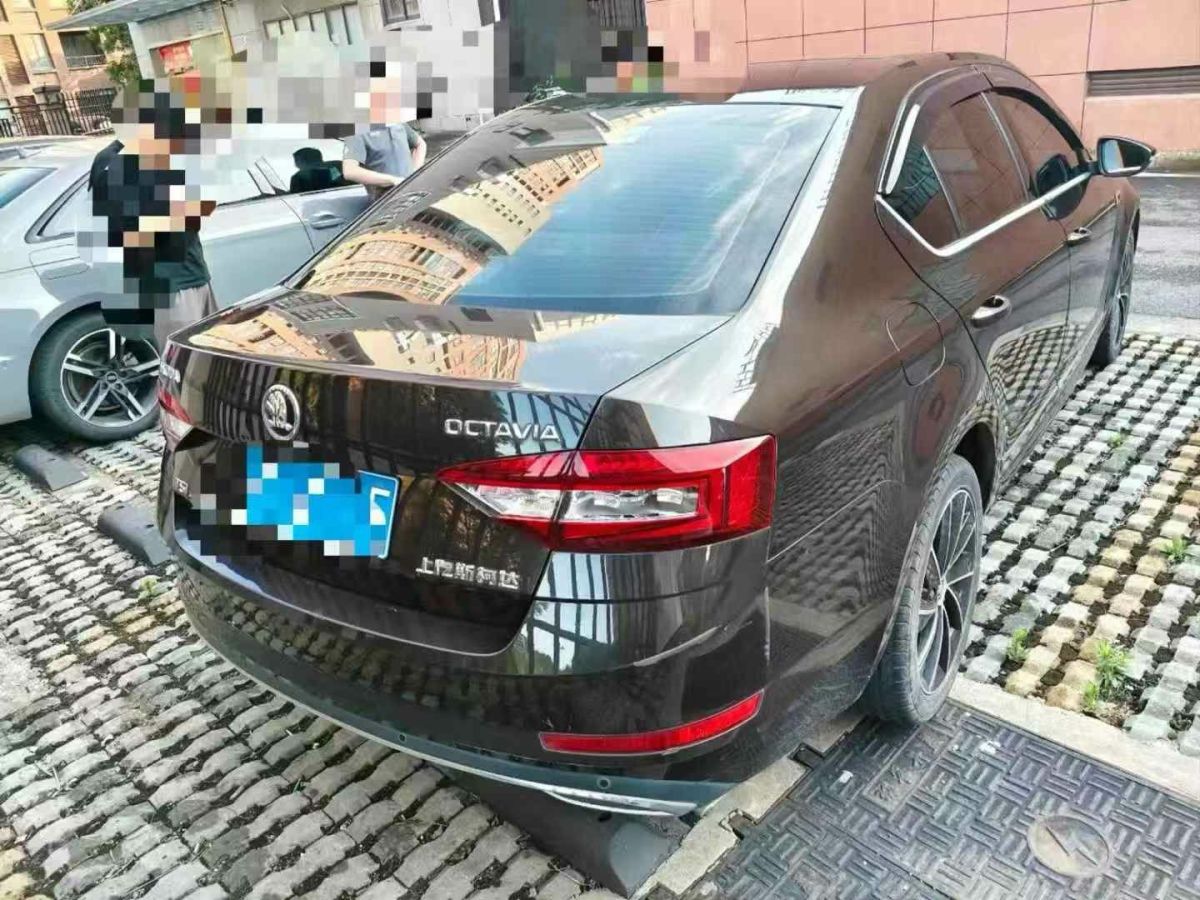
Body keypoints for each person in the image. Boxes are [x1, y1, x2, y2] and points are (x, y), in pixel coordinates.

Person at [91, 82, 217, 349]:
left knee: (209, 358)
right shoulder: (119, 162)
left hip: (189, 276)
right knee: (188, 363)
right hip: (171, 286)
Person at [341, 61, 427, 201]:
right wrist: (392, 180)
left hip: (411, 197)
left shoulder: (397, 122)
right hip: (386, 201)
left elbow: (420, 144)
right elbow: (350, 171)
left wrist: (414, 174)